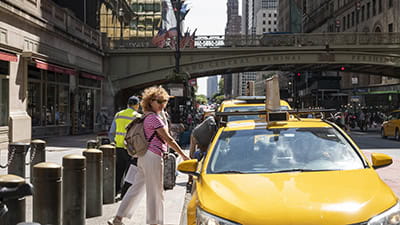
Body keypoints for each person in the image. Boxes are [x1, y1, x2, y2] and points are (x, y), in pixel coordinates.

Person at [108, 86, 190, 225]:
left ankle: (118, 218)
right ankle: (155, 222)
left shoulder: (147, 116)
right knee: (156, 192)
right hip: (153, 156)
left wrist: (162, 111)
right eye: (159, 101)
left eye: (164, 102)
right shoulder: (154, 119)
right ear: (151, 101)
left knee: (136, 188)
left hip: (144, 156)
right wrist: (183, 155)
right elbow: (168, 139)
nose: (163, 104)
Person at [109, 96, 141, 196]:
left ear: (128, 104)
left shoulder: (118, 114)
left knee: (119, 170)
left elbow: (112, 132)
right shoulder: (138, 117)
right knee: (130, 171)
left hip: (118, 146)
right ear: (137, 105)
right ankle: (125, 193)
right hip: (131, 149)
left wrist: (113, 141)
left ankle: (115, 191)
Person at [187, 114, 217, 192]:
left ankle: (190, 179)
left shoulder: (211, 122)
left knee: (195, 156)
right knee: (192, 157)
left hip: (200, 138)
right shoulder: (212, 121)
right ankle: (190, 179)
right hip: (196, 137)